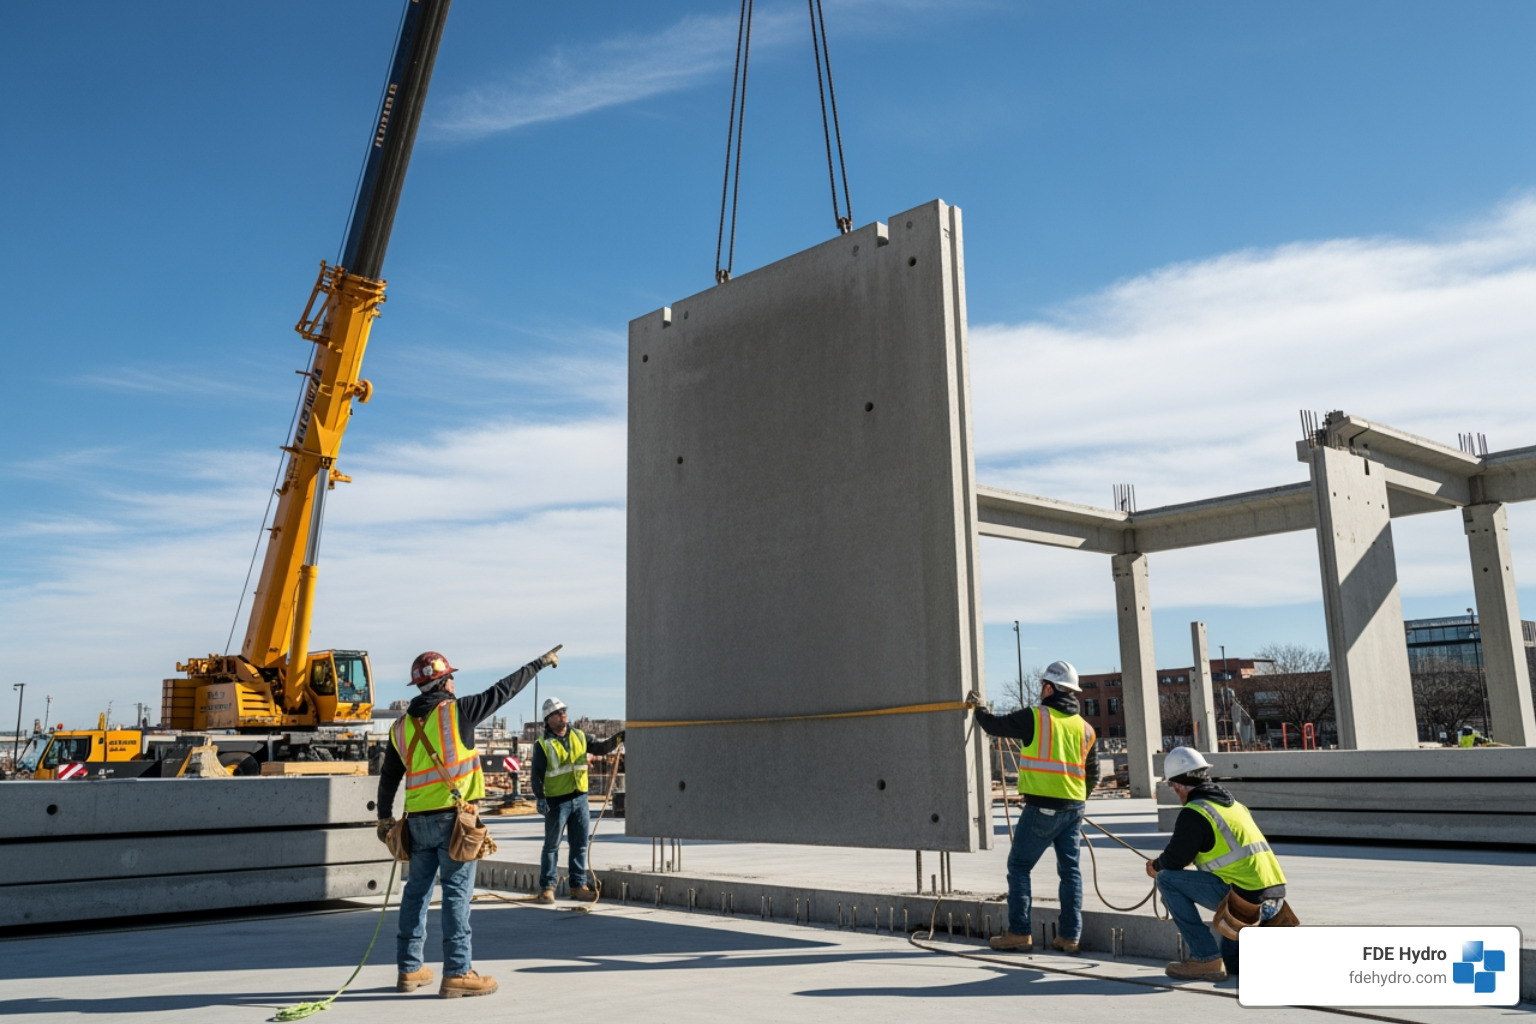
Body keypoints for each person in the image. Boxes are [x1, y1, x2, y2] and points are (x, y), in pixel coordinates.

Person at [377, 647, 558, 998]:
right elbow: (504, 690)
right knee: (456, 895)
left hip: (416, 823)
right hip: (455, 821)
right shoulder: (458, 711)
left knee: (415, 895)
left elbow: (388, 777)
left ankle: (409, 969)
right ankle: (458, 972)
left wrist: (384, 818)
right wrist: (539, 663)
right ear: (445, 682)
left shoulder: (400, 727)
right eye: (452, 678)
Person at [968, 660, 1099, 954]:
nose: (1040, 690)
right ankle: (1069, 937)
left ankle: (1019, 932)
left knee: (1019, 866)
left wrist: (979, 709)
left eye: (1043, 685)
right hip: (1073, 809)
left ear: (1050, 688)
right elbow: (1093, 774)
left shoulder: (1037, 717)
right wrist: (1076, 800)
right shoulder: (1086, 728)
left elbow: (994, 726)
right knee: (1070, 872)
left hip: (1043, 808)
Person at [1148, 746, 1296, 981]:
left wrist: (1155, 866)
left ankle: (1205, 958)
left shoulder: (1195, 812)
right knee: (1233, 965)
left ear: (1177, 786)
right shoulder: (1235, 806)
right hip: (1273, 901)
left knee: (1167, 879)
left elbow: (1173, 861)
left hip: (1245, 904)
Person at [531, 697, 624, 903]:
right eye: (557, 713)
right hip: (556, 801)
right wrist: (540, 797)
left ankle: (578, 885)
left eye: (564, 711)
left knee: (580, 844)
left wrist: (619, 738)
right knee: (552, 845)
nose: (563, 714)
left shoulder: (580, 736)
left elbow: (600, 748)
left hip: (580, 798)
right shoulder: (543, 744)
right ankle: (547, 887)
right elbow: (536, 774)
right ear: (548, 719)